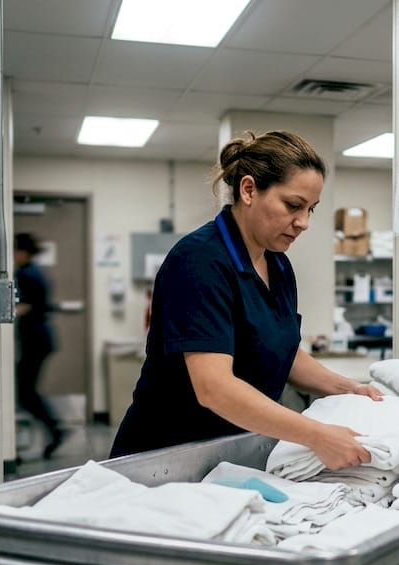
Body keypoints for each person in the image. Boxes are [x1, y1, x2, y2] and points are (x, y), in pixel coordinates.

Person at [110, 130, 381, 467]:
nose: (304, 223)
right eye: (293, 205)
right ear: (249, 189)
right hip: (167, 456)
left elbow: (283, 352)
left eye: (312, 209)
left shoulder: (277, 264)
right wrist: (317, 434)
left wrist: (348, 388)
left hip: (232, 450)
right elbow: (214, 387)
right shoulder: (199, 261)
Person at [14, 232, 64, 459]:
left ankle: (55, 430)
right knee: (26, 391)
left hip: (35, 339)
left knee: (25, 392)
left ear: (22, 252)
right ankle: (54, 429)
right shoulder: (33, 271)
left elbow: (27, 306)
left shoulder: (26, 273)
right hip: (39, 338)